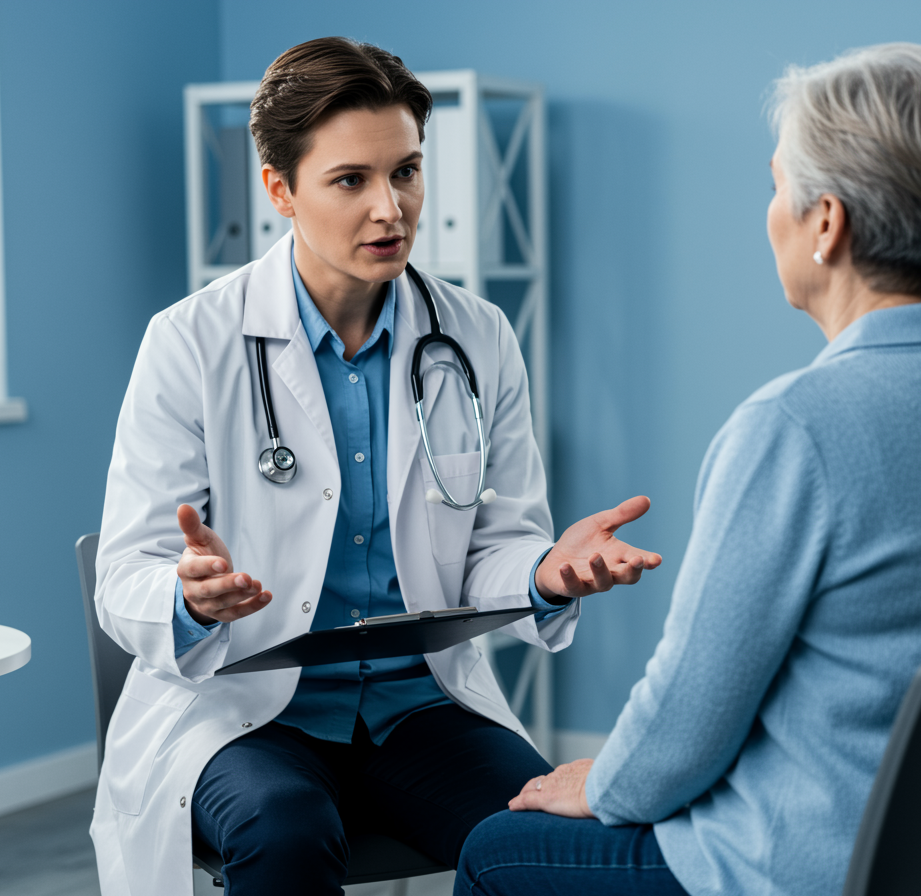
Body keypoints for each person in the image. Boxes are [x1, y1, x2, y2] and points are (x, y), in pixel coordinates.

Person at [453, 43, 921, 896]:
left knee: (498, 851)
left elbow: (686, 728)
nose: (772, 213)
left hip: (805, 869)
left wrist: (603, 781)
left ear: (826, 223)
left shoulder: (794, 429)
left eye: (777, 185)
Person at [90, 36, 661, 896]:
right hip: (245, 717)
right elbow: (124, 571)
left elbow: (495, 547)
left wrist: (546, 572)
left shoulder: (478, 336)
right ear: (279, 190)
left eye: (407, 172)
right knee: (285, 831)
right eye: (351, 180)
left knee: (546, 839)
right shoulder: (190, 342)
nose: (390, 208)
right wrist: (187, 597)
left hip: (421, 708)